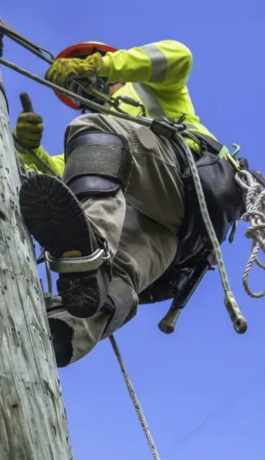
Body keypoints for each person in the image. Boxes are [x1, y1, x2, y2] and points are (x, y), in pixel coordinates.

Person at [15, 40, 249, 367]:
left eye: (85, 66)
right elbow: (63, 172)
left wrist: (103, 65)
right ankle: (57, 339)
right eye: (73, 80)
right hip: (177, 231)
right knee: (118, 277)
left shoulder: (145, 89)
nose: (81, 81)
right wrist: (29, 151)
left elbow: (179, 56)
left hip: (184, 176)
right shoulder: (103, 139)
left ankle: (90, 248)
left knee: (91, 131)